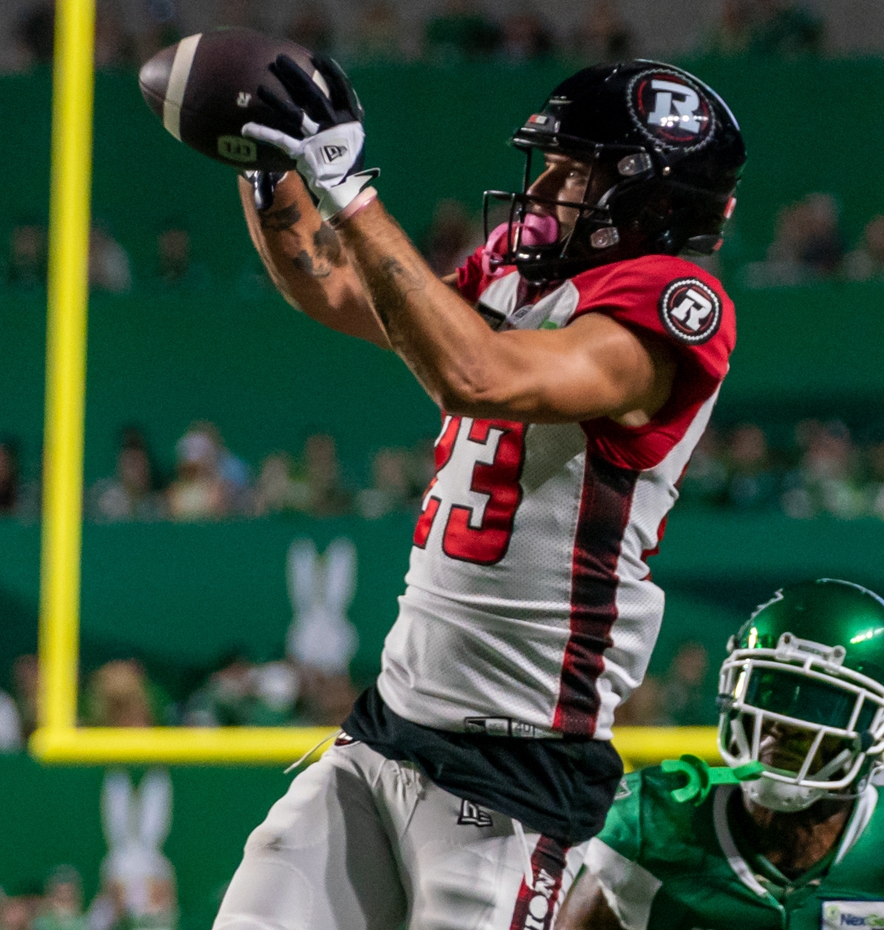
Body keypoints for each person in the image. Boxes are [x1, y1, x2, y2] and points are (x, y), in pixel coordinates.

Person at [220, 57, 745, 929]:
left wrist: (347, 189)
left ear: (646, 194)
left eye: (575, 167)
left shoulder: (671, 302)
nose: (543, 184)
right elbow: (340, 287)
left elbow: (483, 376)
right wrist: (271, 168)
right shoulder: (521, 269)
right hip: (389, 723)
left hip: (518, 766)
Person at [558, 579, 884, 930]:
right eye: (770, 690)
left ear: (876, 728)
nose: (779, 723)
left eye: (819, 704)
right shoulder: (650, 826)